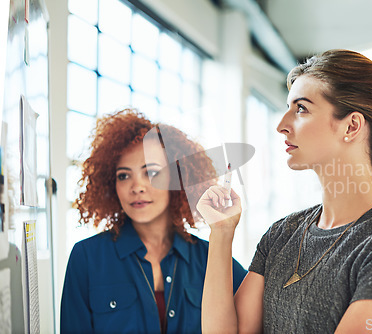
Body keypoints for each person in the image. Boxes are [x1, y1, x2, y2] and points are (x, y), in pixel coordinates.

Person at [197, 49, 372, 333]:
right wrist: (221, 233)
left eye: (301, 108)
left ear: (351, 125)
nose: (282, 126)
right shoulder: (282, 234)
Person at [60, 109, 247, 334]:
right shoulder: (87, 258)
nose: (137, 186)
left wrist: (223, 231)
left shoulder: (211, 257)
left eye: (151, 172)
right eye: (123, 175)